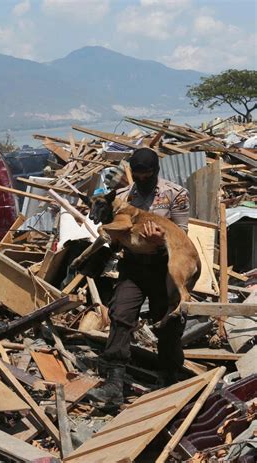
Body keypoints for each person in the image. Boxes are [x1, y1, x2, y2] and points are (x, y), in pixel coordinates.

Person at [88, 147, 190, 407]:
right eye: (138, 174)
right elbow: (114, 235)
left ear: (156, 171)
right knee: (120, 315)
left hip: (162, 266)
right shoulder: (121, 197)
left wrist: (157, 241)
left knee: (167, 321)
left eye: (148, 174)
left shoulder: (175, 194)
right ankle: (114, 383)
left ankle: (168, 378)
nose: (143, 179)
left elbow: (181, 235)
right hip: (133, 266)